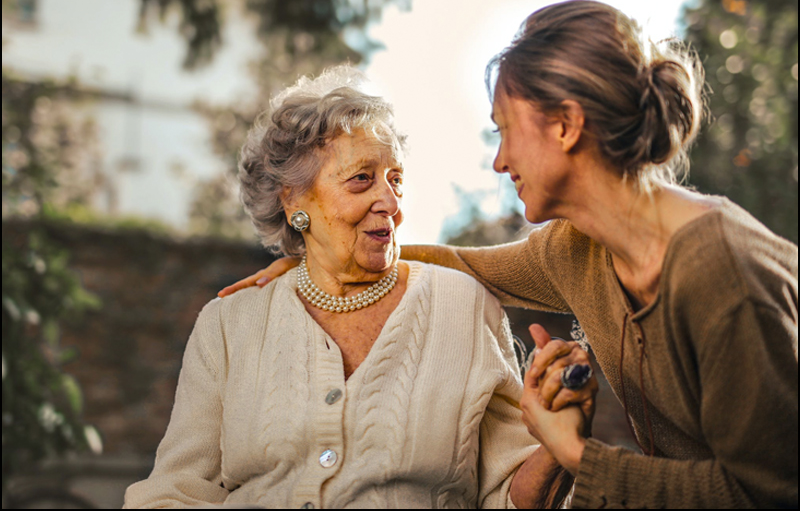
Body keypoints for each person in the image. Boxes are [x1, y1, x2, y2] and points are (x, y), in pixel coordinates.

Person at [220, 0, 799, 508]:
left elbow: (768, 494)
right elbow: (463, 264)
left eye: (504, 130)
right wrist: (320, 259)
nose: (499, 161)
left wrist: (573, 451)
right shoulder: (577, 250)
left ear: (567, 126)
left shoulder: (722, 274)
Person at [124, 66, 593, 509]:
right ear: (294, 200)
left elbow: (508, 496)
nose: (389, 202)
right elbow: (176, 492)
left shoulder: (463, 306)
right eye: (362, 180)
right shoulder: (229, 323)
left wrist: (556, 447)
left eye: (396, 180)